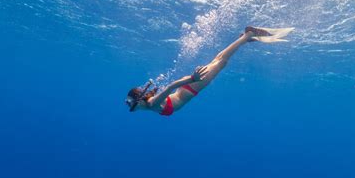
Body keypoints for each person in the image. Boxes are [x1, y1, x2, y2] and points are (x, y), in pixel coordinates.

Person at [125, 26, 292, 116]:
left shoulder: (152, 103)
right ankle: (244, 38)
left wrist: (192, 78)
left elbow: (170, 87)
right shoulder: (150, 105)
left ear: (138, 101)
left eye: (131, 104)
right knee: (217, 61)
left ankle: (248, 35)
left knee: (221, 62)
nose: (131, 107)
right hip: (189, 86)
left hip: (192, 85)